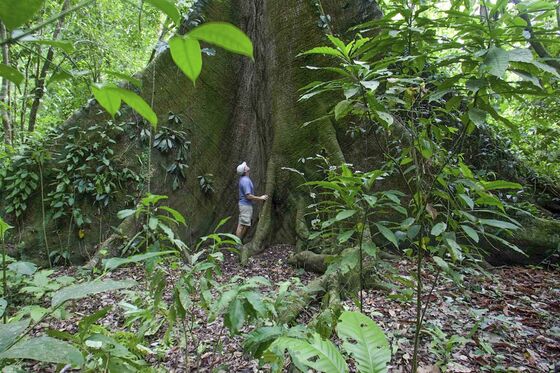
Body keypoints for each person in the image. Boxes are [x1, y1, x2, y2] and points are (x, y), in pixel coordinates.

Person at [235, 161, 268, 240]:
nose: (246, 165)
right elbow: (248, 196)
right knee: (243, 225)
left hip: (244, 205)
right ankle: (238, 243)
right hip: (245, 206)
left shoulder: (244, 178)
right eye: (245, 166)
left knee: (242, 224)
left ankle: (238, 241)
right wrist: (261, 198)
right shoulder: (245, 181)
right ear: (245, 171)